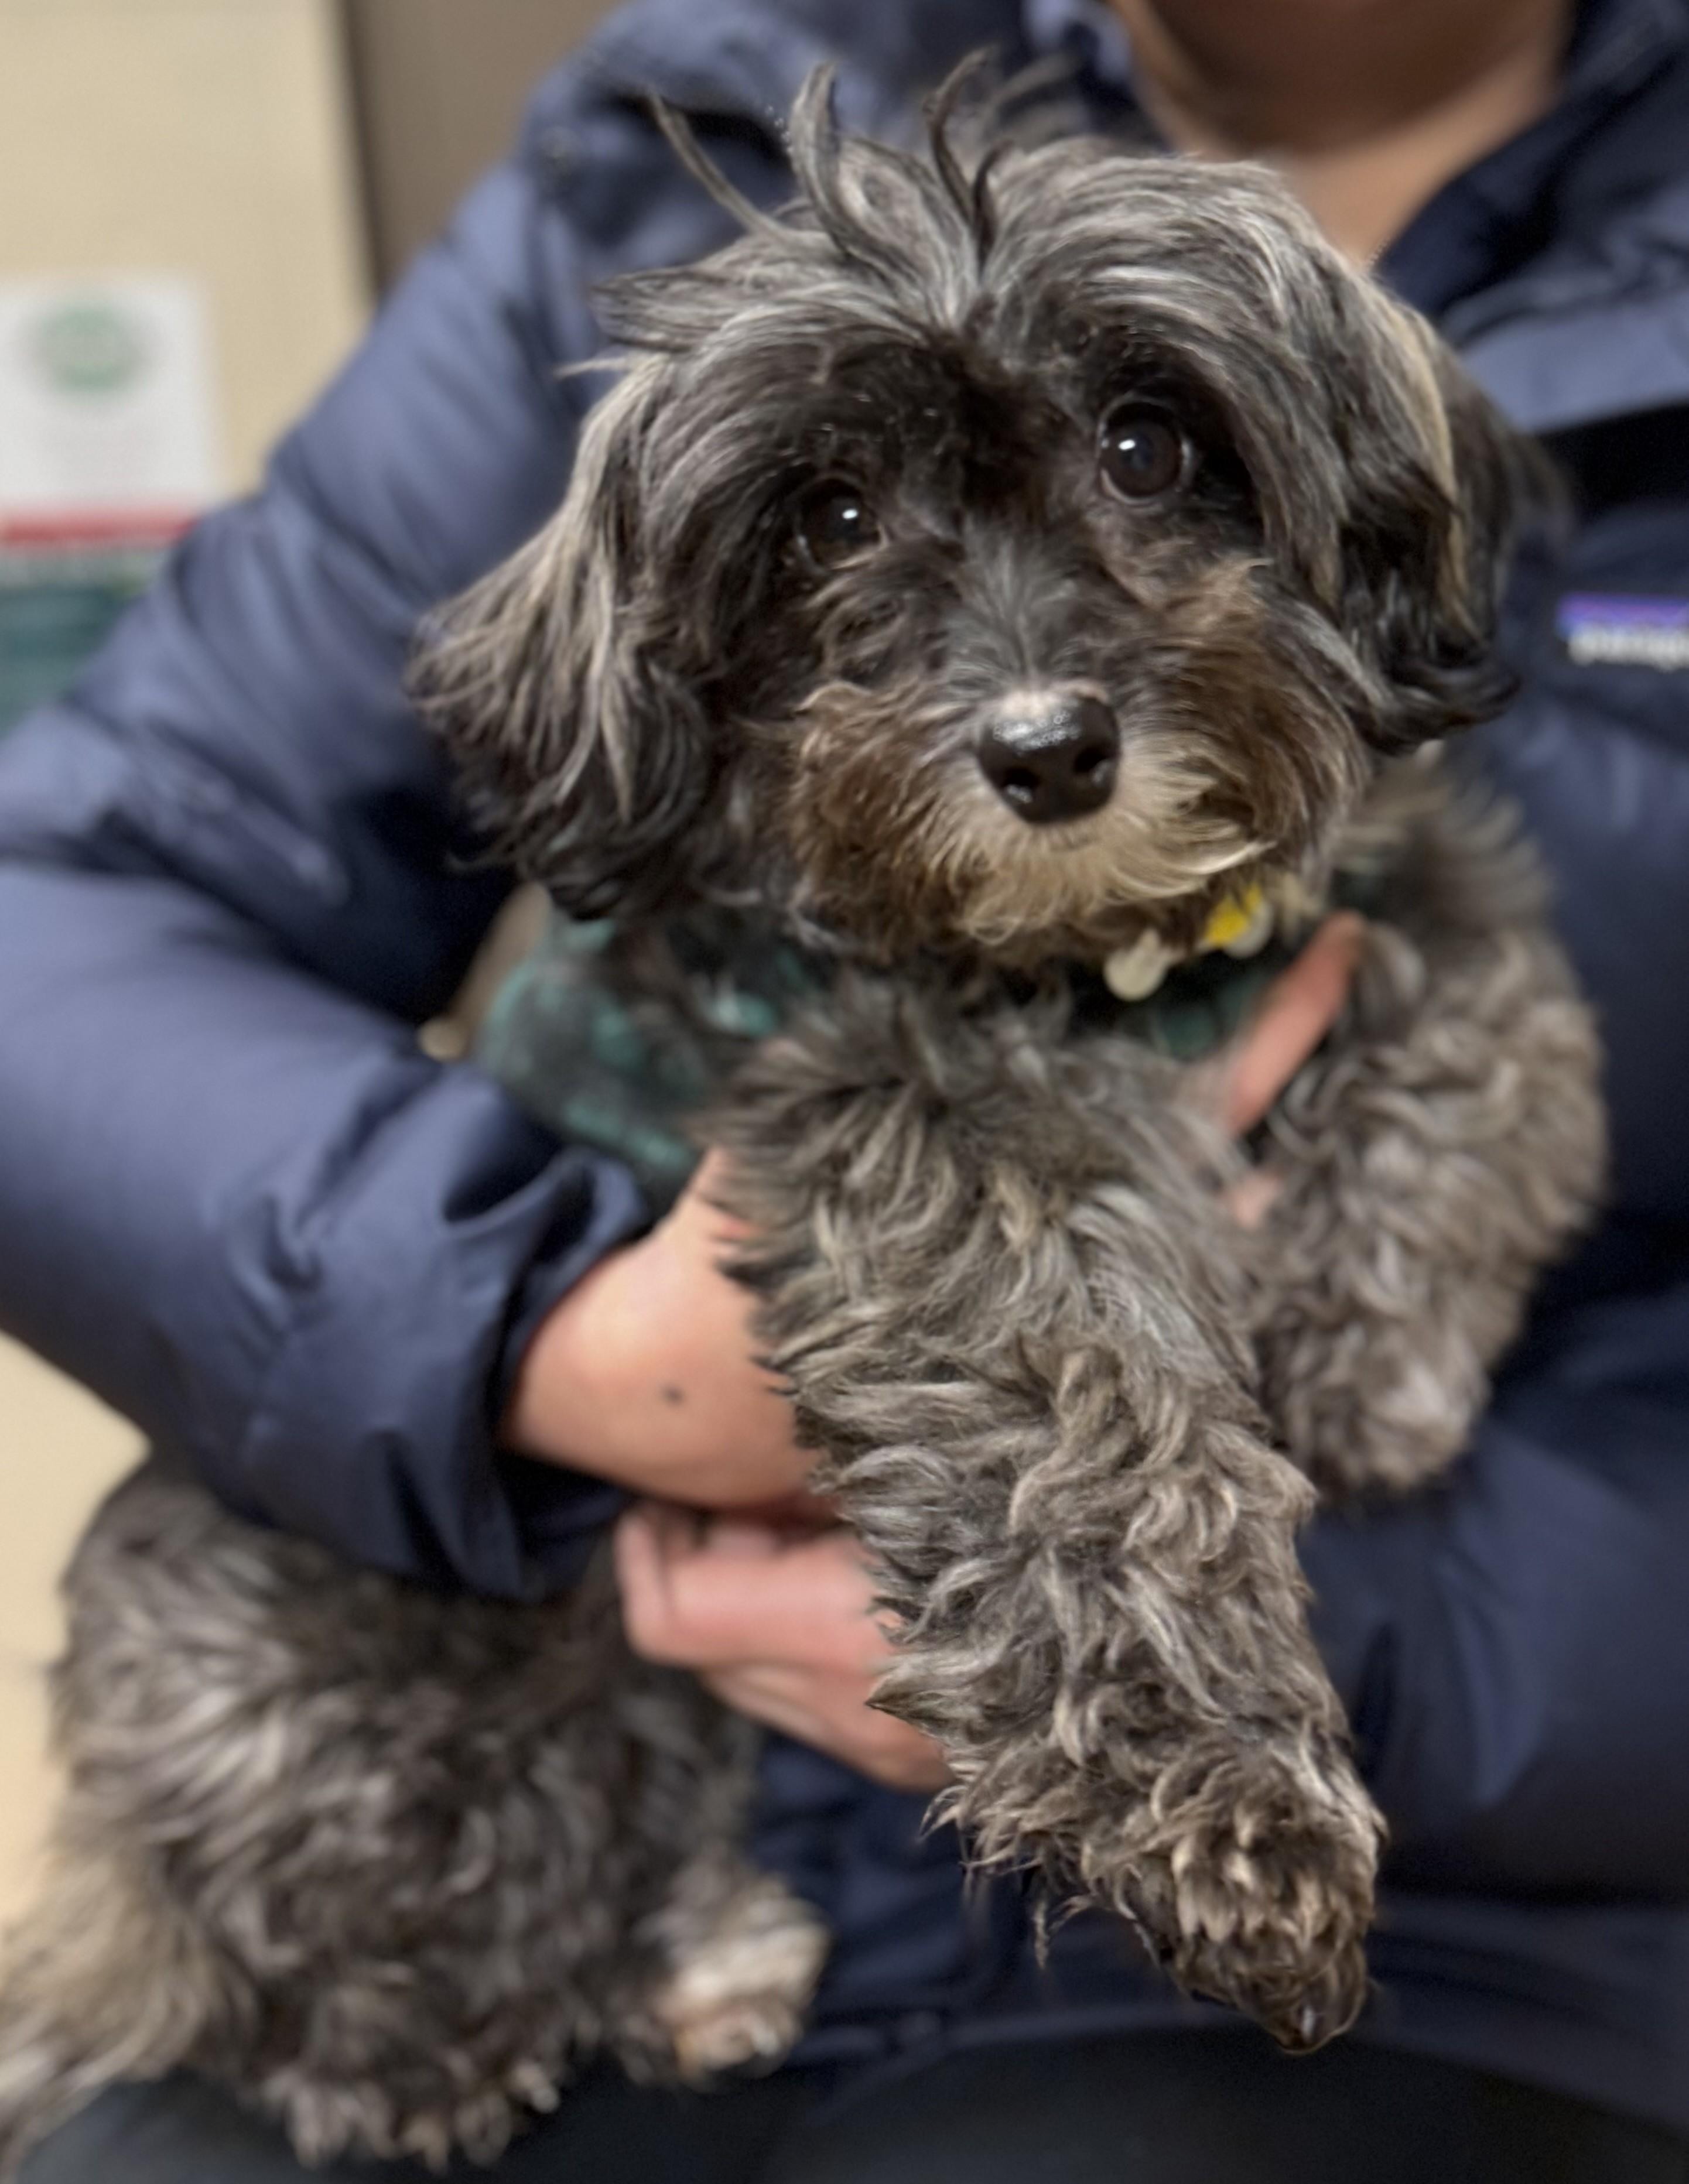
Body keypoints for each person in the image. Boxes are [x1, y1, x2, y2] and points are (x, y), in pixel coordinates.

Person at [2, 0, 1687, 2175]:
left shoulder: (1418, 890)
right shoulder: (664, 131)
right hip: (493, 1726)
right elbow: (72, 921)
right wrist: (548, 1340)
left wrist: (1374, 1625)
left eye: (1145, 460)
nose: (1033, 685)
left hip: (1462, 1888)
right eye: (825, 526)